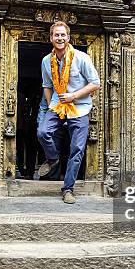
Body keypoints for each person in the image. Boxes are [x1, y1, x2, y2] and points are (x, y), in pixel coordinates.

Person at [37, 21, 100, 203]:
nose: (60, 38)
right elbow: (47, 86)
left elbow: (95, 83)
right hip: (58, 106)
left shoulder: (81, 58)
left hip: (79, 108)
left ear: (68, 37)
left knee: (77, 149)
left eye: (63, 35)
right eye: (56, 35)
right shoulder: (46, 62)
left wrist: (74, 96)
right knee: (43, 132)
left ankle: (68, 189)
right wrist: (51, 106)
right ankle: (53, 159)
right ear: (51, 38)